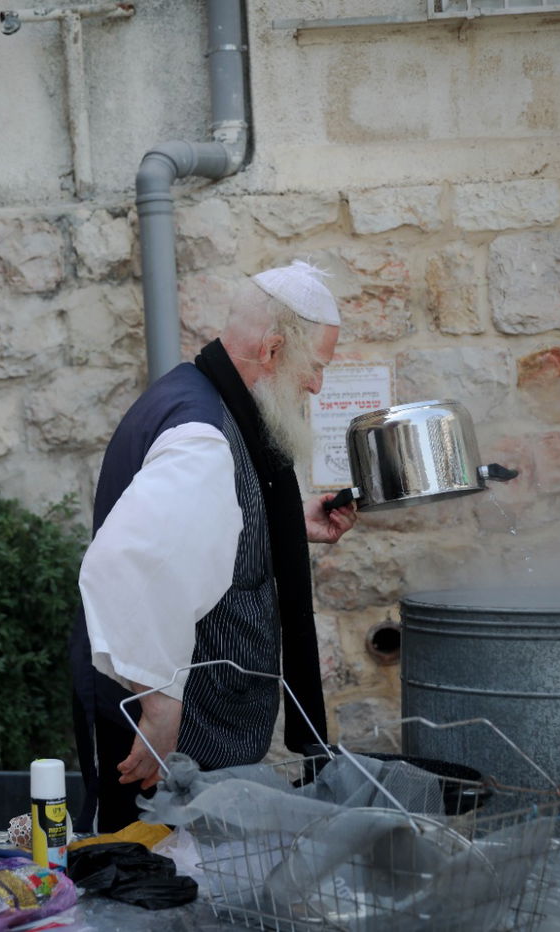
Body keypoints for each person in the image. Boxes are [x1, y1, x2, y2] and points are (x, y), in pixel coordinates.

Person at [70, 261, 360, 832]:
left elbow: (199, 524)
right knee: (151, 881)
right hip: (173, 731)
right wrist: (159, 707)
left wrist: (280, 522)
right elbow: (125, 563)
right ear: (273, 350)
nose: (317, 386)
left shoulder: (206, 396)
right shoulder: (203, 434)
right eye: (316, 368)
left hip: (200, 724)